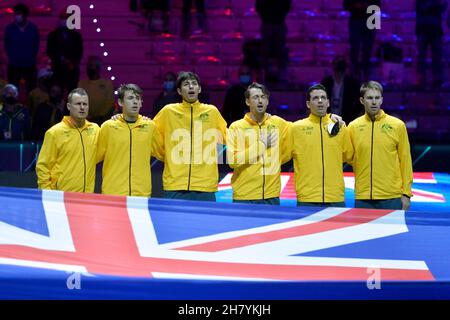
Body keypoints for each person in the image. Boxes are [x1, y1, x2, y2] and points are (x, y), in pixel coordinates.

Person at [153, 71, 227, 201]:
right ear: (179, 91)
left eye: (194, 84)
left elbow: (229, 138)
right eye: (186, 84)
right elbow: (150, 134)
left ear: (199, 89)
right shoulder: (168, 111)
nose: (191, 87)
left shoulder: (212, 112)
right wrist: (166, 156)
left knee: (205, 222)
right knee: (174, 222)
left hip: (205, 186)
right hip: (175, 185)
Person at [348, 81, 413, 210]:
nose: (374, 102)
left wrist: (406, 193)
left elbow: (405, 160)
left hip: (391, 196)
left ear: (382, 100)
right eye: (370, 98)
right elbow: (347, 156)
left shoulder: (397, 125)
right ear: (362, 100)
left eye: (377, 98)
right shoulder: (353, 127)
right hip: (363, 197)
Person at [289, 84, 353, 207]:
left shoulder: (339, 126)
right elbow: (285, 155)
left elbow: (348, 156)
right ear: (308, 104)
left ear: (328, 102)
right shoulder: (295, 128)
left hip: (335, 196)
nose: (320, 101)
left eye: (323, 98)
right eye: (315, 98)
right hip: (307, 197)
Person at [227, 82, 291, 205]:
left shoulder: (278, 123)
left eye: (263, 97)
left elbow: (303, 128)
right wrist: (261, 145)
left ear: (267, 101)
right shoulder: (236, 127)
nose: (260, 101)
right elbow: (233, 161)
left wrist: (329, 118)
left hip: (271, 196)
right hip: (244, 197)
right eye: (256, 97)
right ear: (247, 102)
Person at [96, 83, 164, 197]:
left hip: (141, 194)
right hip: (113, 193)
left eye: (138, 98)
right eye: (131, 98)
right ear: (120, 102)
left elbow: (164, 153)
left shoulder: (150, 127)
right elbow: (93, 157)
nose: (135, 102)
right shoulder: (108, 127)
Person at [36, 88, 99, 192]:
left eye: (85, 104)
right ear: (69, 106)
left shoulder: (95, 129)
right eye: (78, 104)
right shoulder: (55, 132)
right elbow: (43, 166)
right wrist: (46, 193)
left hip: (87, 196)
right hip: (61, 197)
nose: (82, 107)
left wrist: (119, 118)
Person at [3, 3, 40, 93]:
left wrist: (31, 57)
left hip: (29, 65)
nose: (17, 16)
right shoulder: (9, 28)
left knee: (31, 91)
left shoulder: (33, 28)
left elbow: (36, 45)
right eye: (15, 14)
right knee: (12, 92)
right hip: (14, 65)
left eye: (19, 14)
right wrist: (12, 57)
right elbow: (7, 45)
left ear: (25, 15)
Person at [46, 10, 83, 93]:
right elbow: (49, 51)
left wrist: (72, 63)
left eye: (66, 18)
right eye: (62, 18)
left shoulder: (76, 36)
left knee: (72, 94)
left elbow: (79, 53)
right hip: (57, 70)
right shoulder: (53, 35)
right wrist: (62, 59)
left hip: (72, 71)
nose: (64, 20)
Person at [343, 0, 380, 81]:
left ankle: (364, 72)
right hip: (356, 20)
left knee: (367, 48)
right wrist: (355, 6)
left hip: (370, 20)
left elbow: (377, 5)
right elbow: (346, 5)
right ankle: (354, 72)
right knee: (355, 48)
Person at [256, 0, 291, 83]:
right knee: (266, 51)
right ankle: (265, 75)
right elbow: (259, 7)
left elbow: (287, 5)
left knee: (281, 51)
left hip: (278, 23)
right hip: (268, 23)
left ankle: (281, 76)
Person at [415, 0, 448, 88]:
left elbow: (443, 7)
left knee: (437, 57)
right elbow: (423, 7)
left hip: (436, 29)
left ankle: (437, 80)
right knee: (421, 57)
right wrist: (436, 4)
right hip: (422, 29)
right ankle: (421, 80)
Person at [321, 55, 362, 125]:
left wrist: (353, 117)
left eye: (341, 72)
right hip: (327, 120)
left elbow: (359, 103)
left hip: (346, 121)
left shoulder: (352, 84)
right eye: (337, 71)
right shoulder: (326, 83)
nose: (338, 74)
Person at [78, 56, 114, 125]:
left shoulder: (107, 84)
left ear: (98, 68)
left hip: (102, 121)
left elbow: (109, 103)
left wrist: (100, 116)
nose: (90, 68)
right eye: (88, 65)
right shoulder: (82, 83)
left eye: (92, 65)